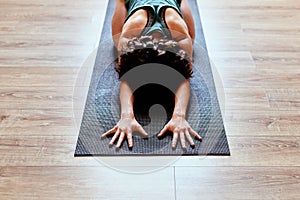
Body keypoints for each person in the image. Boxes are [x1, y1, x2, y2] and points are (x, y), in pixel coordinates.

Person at [101, 0, 202, 149]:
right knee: (117, 43)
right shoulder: (130, 33)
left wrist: (179, 116)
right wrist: (126, 116)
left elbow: (184, 77)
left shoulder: (179, 32)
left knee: (191, 40)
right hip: (141, 18)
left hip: (167, 19)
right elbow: (126, 77)